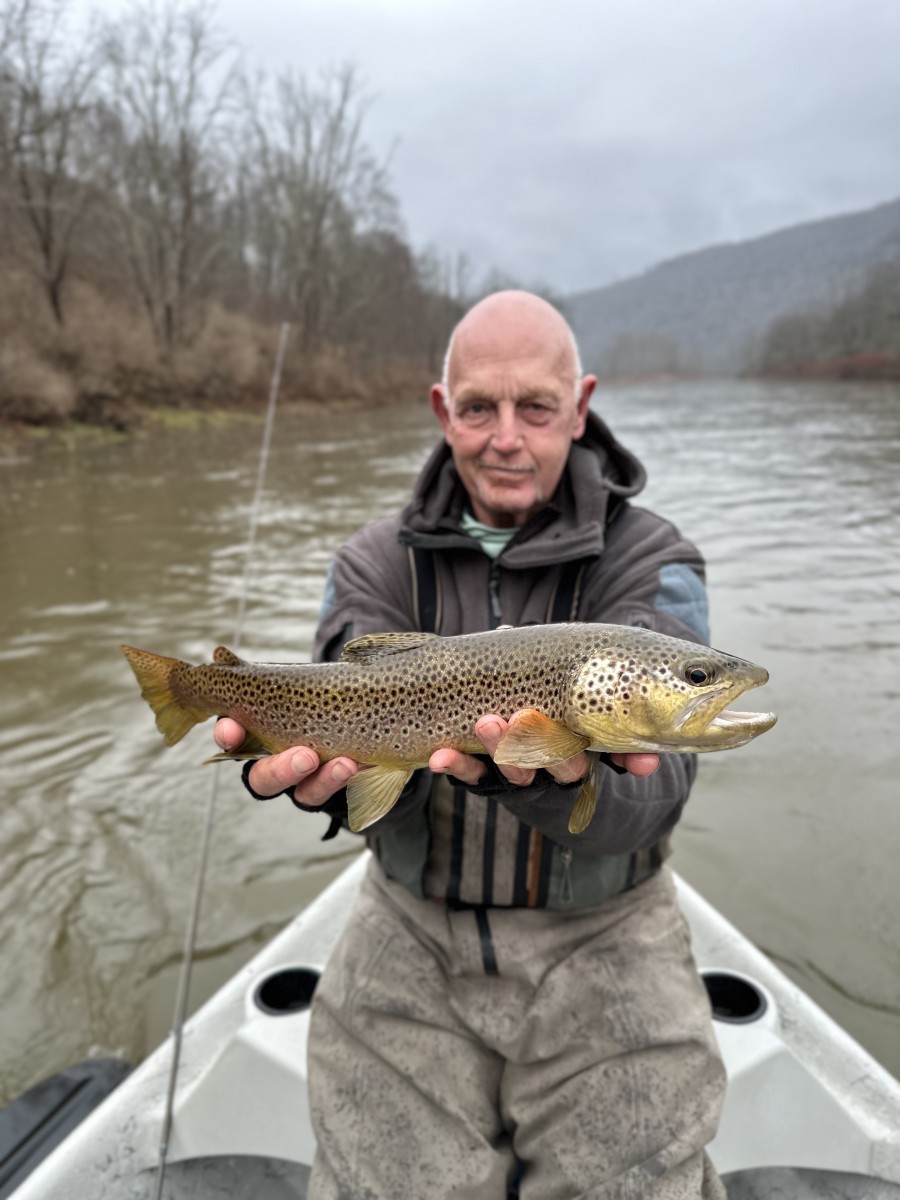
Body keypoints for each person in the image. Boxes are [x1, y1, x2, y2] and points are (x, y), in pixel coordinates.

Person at [215, 291, 727, 1199]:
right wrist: (336, 784)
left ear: (581, 405)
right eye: (480, 408)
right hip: (408, 924)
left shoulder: (651, 559)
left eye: (536, 407)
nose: (506, 437)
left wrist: (538, 781)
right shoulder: (373, 561)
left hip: (611, 928)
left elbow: (660, 787)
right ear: (442, 410)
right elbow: (349, 716)